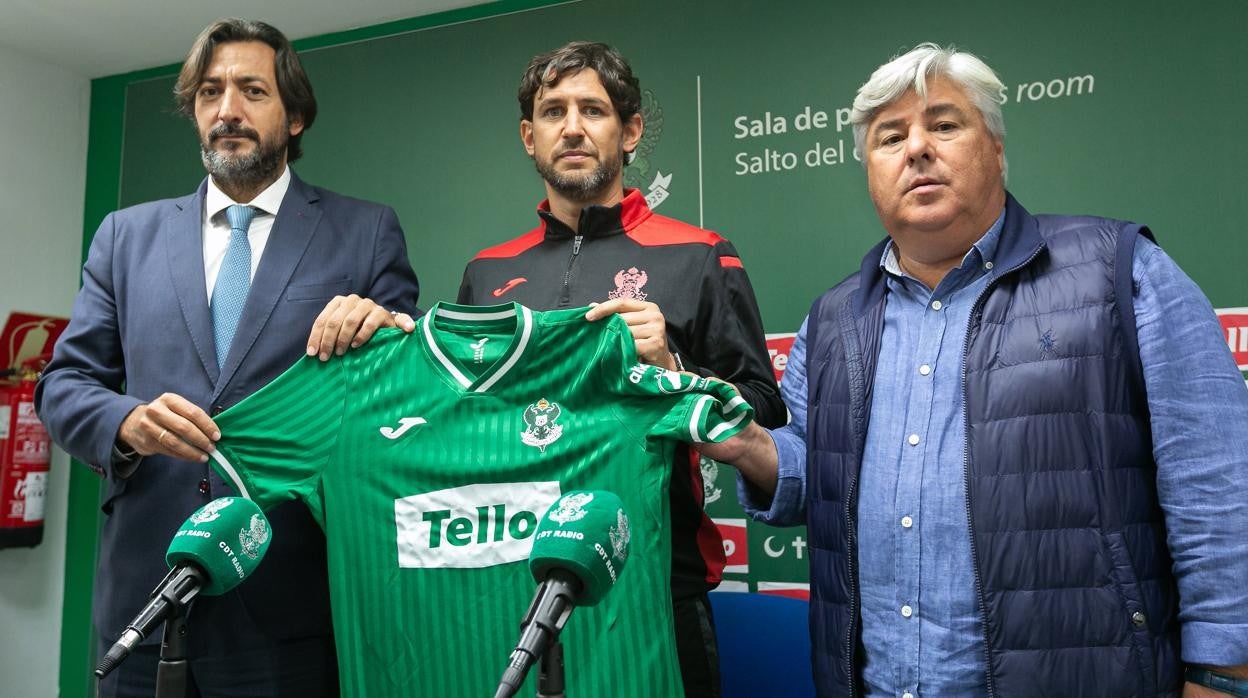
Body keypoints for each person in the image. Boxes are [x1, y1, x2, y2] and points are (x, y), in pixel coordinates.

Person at [699, 43, 1248, 697]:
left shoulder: (1121, 272)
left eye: (944, 125)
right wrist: (751, 445)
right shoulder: (835, 318)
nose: (917, 149)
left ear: (994, 147)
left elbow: (1218, 493)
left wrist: (1222, 676)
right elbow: (812, 482)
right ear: (870, 170)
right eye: (890, 136)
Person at [36, 18, 420, 697]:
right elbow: (64, 381)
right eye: (210, 93)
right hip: (141, 605)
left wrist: (389, 328)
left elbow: (405, 393)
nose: (227, 111)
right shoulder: (126, 237)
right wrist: (124, 423)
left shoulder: (364, 232)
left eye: (252, 91)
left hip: (294, 610)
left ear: (295, 115)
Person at [457, 41, 784, 698]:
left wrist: (674, 366)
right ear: (530, 136)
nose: (572, 127)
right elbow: (464, 425)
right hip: (511, 584)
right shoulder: (485, 272)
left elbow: (764, 413)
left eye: (592, 110)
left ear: (628, 131)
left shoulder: (700, 254)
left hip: (659, 584)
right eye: (553, 111)